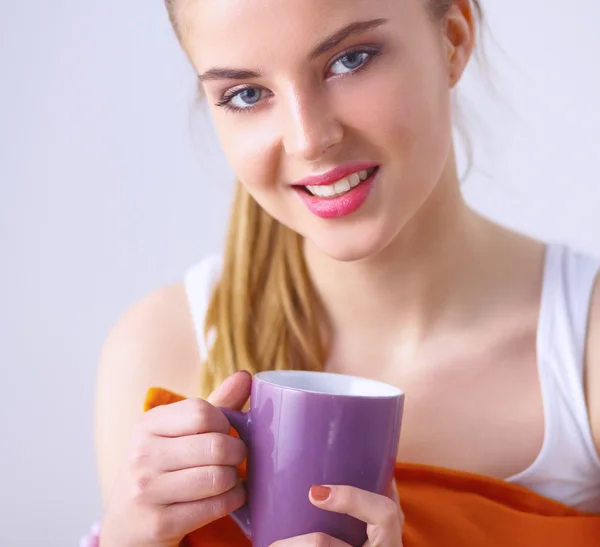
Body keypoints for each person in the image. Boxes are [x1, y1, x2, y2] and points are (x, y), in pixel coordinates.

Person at [91, 0, 600, 546]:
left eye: (351, 59)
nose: (309, 139)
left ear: (452, 40)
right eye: (246, 94)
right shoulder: (159, 350)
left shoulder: (584, 346)